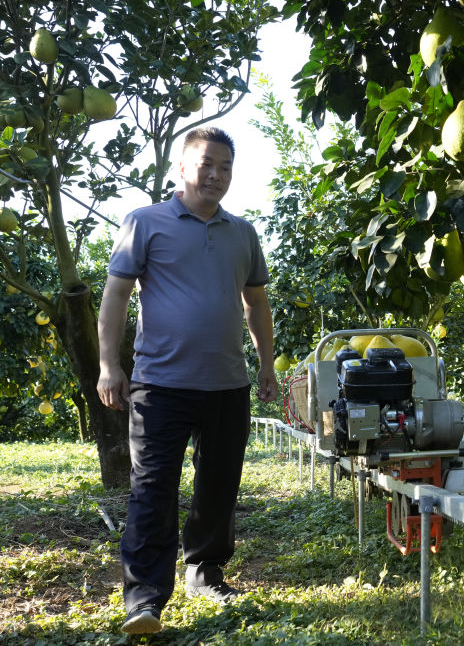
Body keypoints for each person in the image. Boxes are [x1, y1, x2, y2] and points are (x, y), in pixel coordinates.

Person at [97, 126, 278, 635]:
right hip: (160, 384)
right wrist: (110, 366)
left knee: (218, 485)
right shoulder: (145, 222)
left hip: (227, 383)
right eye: (206, 164)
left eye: (225, 167)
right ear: (182, 167)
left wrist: (266, 364)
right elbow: (115, 296)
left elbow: (256, 303)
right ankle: (145, 599)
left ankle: (205, 570)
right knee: (153, 489)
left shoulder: (242, 232)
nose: (216, 175)